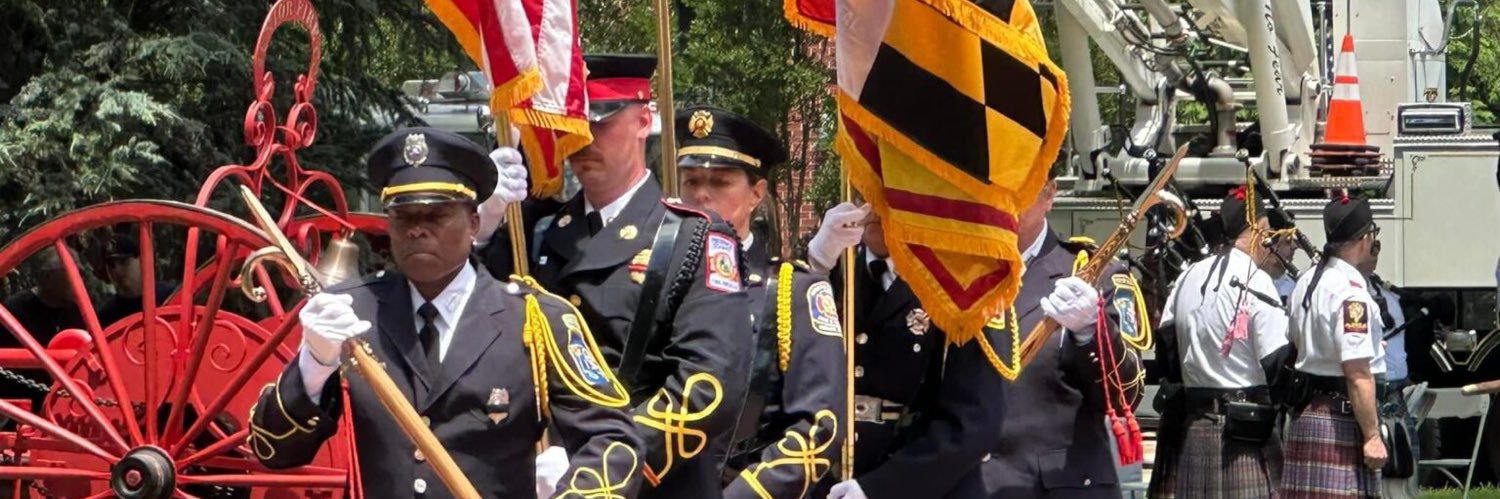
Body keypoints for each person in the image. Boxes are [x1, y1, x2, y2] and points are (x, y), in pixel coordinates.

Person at [248, 127, 644, 498]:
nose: (418, 230)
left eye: (435, 215)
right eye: (404, 217)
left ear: (473, 223)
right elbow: (274, 450)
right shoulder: (352, 313)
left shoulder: (534, 321)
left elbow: (612, 438)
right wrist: (313, 367)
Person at [476, 55, 752, 498]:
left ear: (644, 121)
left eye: (600, 123)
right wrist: (482, 225)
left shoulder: (692, 237)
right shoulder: (536, 232)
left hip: (644, 483)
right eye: (574, 125)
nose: (584, 137)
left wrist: (598, 468)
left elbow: (708, 388)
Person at [669, 105, 847, 498]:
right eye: (691, 180)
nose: (701, 194)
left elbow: (818, 428)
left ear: (757, 193)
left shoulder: (792, 293)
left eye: (720, 182)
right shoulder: (655, 288)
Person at [800, 199, 1008, 498]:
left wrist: (878, 489)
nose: (871, 208)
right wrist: (815, 266)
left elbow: (974, 422)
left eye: (886, 194)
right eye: (863, 195)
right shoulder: (831, 271)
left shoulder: (962, 285)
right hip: (830, 480)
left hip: (920, 484)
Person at [974, 164, 1145, 499]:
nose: (1004, 202)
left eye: (1018, 189)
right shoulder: (960, 271)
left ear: (1049, 194)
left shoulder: (1092, 273)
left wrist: (1092, 331)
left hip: (1056, 486)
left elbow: (1127, 395)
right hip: (972, 484)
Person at [1148, 186, 1295, 498]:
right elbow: (1277, 363)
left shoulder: (1188, 276)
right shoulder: (1257, 280)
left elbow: (1166, 352)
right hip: (1245, 432)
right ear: (1260, 229)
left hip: (1195, 426)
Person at [1281, 195, 1387, 499]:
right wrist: (1372, 436)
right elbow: (1356, 372)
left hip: (1308, 413)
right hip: (1340, 418)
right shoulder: (1350, 293)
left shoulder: (1306, 281)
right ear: (1365, 238)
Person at [96, 234, 179, 326]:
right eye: (111, 265)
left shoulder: (171, 296)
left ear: (141, 260)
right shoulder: (106, 315)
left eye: (123, 262)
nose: (117, 270)